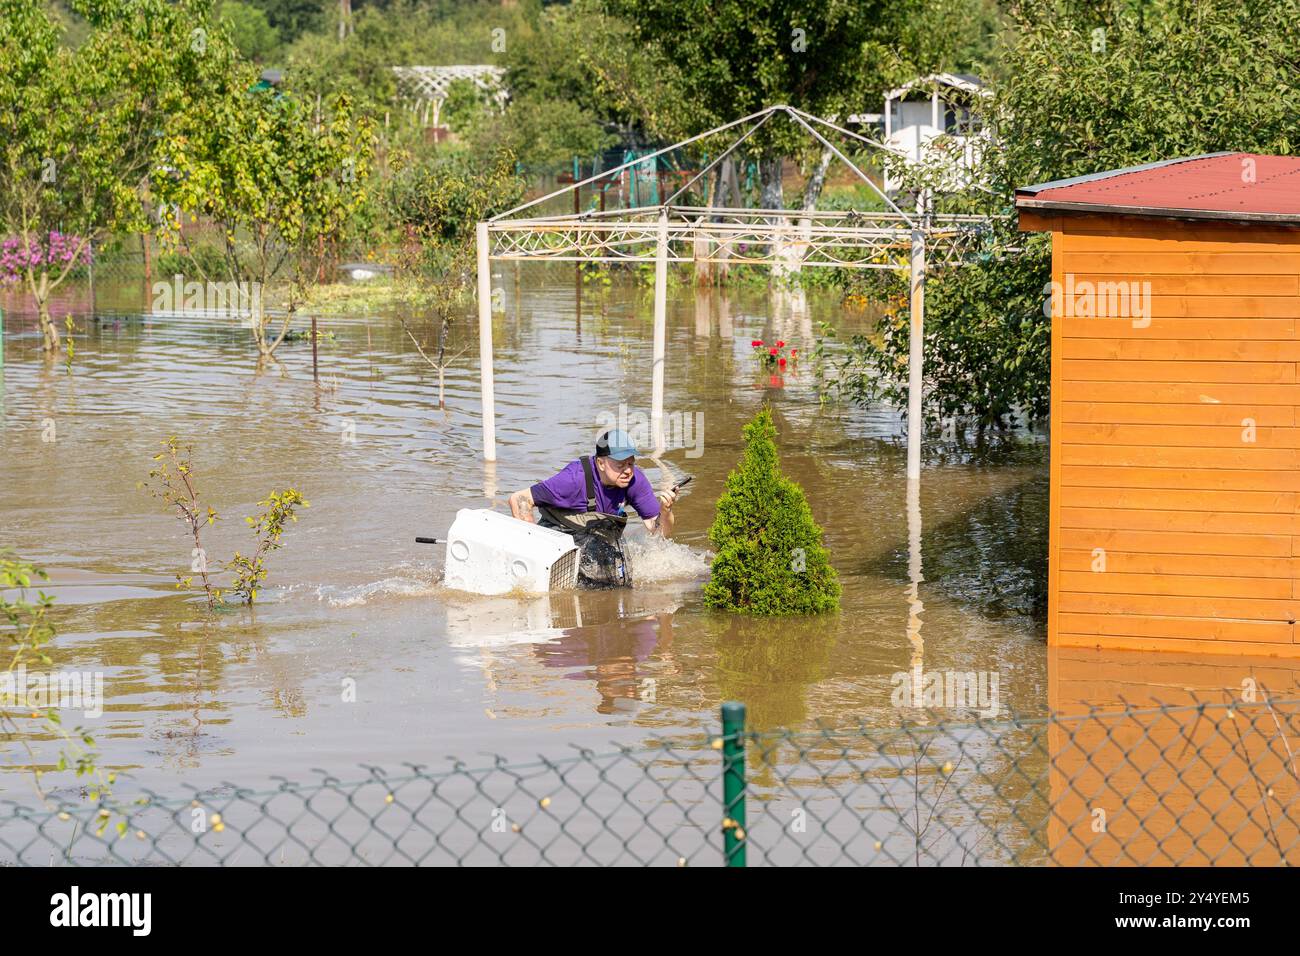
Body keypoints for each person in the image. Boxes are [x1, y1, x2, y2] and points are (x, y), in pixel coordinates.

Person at [508, 429, 677, 588]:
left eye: (631, 463)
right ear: (601, 463)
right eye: (620, 465)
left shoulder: (635, 480)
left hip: (597, 536)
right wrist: (534, 558)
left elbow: (659, 533)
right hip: (562, 532)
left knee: (620, 583)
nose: (627, 471)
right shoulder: (573, 479)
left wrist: (665, 511)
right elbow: (519, 499)